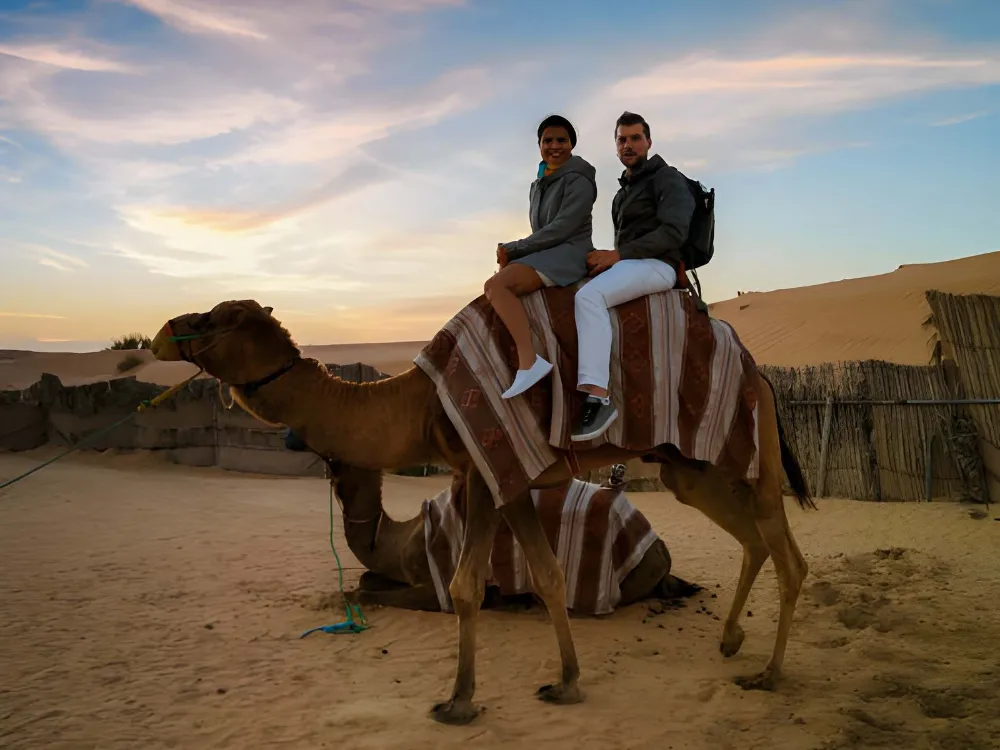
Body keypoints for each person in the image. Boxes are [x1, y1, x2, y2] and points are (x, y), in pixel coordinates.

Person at [571, 111, 695, 442]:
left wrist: (617, 256)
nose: (628, 145)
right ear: (616, 145)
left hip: (659, 265)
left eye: (635, 138)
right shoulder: (622, 193)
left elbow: (673, 232)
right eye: (622, 139)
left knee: (589, 297)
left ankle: (599, 398)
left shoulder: (667, 178)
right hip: (634, 263)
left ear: (648, 142)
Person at [486, 114, 598, 400]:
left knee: (497, 286)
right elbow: (541, 230)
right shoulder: (538, 184)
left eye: (562, 140)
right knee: (500, 280)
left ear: (572, 144)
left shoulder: (580, 179)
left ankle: (530, 362)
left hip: (570, 251)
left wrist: (516, 248)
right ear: (539, 145)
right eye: (548, 140)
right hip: (549, 249)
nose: (555, 146)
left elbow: (562, 228)